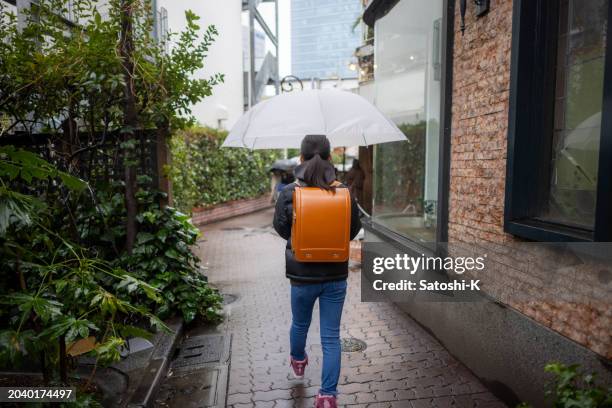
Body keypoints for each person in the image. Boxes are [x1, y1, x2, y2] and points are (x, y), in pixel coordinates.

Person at [273, 135, 361, 408]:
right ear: (330, 159)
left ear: (300, 158)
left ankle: (298, 360)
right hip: (335, 276)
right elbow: (353, 231)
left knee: (300, 324)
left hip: (301, 276)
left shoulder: (289, 192)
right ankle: (327, 396)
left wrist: (302, 237)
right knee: (331, 337)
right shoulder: (344, 192)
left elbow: (281, 228)